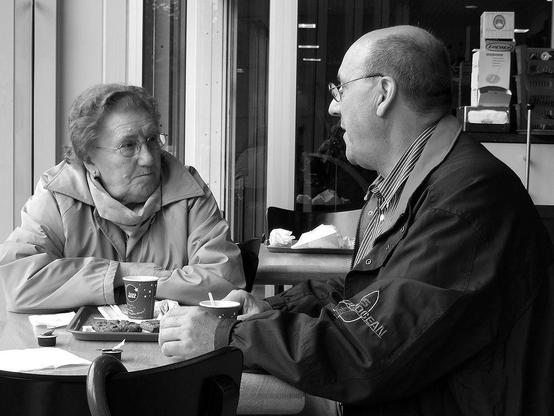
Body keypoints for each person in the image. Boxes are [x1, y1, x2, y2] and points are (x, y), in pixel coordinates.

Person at [158, 26, 554, 416]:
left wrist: (227, 335)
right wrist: (265, 309)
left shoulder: (466, 199)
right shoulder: (408, 182)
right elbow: (369, 292)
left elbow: (369, 351)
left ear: (383, 93)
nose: (333, 107)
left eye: (340, 89)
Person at [0, 83, 245, 313]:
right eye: (128, 146)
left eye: (152, 140)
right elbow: (19, 282)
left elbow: (225, 282)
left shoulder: (188, 191)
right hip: (73, 351)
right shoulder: (58, 194)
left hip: (172, 349)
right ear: (89, 160)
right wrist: (120, 274)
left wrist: (131, 283)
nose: (149, 158)